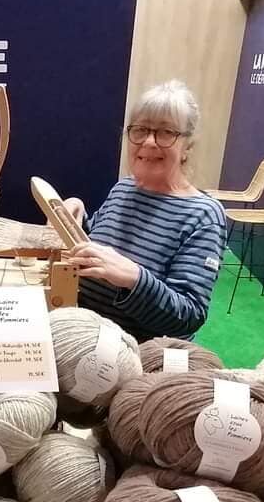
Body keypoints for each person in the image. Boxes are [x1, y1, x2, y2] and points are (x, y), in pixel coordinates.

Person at [62, 80, 226, 341]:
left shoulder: (203, 216)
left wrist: (134, 278)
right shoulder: (123, 188)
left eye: (165, 132)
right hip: (82, 338)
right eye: (140, 130)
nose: (149, 142)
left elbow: (189, 316)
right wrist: (78, 220)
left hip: (140, 358)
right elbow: (99, 253)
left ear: (187, 146)